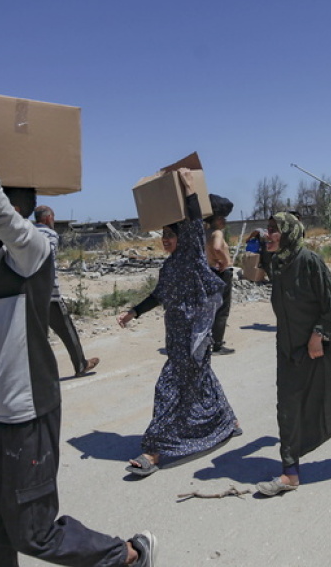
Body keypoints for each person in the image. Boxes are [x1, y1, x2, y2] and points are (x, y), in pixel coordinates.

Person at [0, 83, 155, 566]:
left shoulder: (31, 250)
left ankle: (128, 556)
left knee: (33, 534)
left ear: (14, 211)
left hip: (28, 411)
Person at [117, 177, 240, 476]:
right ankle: (227, 421)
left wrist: (189, 192)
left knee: (169, 387)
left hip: (194, 335)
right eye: (163, 235)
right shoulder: (169, 266)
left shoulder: (193, 257)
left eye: (171, 234)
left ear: (183, 238)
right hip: (176, 337)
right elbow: (159, 295)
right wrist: (134, 311)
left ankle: (154, 452)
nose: (166, 239)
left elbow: (196, 224)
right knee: (202, 378)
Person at [255, 212, 331, 497]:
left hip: (317, 347)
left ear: (289, 232)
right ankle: (290, 473)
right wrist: (257, 245)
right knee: (287, 406)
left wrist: (319, 334)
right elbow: (255, 273)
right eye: (268, 229)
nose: (268, 234)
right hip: (287, 347)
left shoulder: (309, 261)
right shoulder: (277, 261)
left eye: (274, 230)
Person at [33, 205, 101, 377]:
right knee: (67, 330)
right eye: (53, 218)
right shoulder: (50, 234)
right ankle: (80, 365)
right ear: (48, 218)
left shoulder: (26, 234)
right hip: (49, 293)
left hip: (29, 294)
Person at [205, 195, 236, 355]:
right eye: (221, 218)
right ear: (216, 219)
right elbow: (217, 248)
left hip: (210, 271)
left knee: (211, 309)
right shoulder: (217, 233)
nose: (224, 222)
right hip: (222, 273)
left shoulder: (205, 232)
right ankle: (217, 345)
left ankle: (206, 341)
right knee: (222, 310)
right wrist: (225, 261)